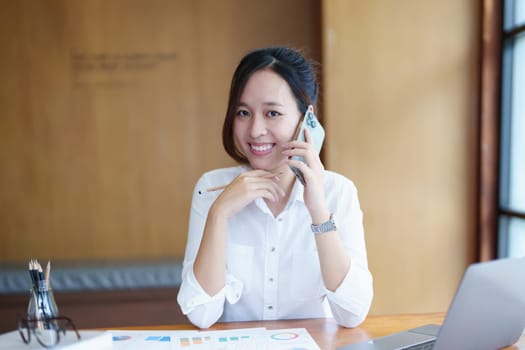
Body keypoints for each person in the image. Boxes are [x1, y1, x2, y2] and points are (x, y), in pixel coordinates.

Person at [177, 47, 373, 329]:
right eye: (243, 112)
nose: (255, 130)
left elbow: (353, 314)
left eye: (272, 113)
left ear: (307, 118)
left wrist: (318, 210)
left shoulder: (338, 192)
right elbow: (201, 314)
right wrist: (219, 214)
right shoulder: (211, 189)